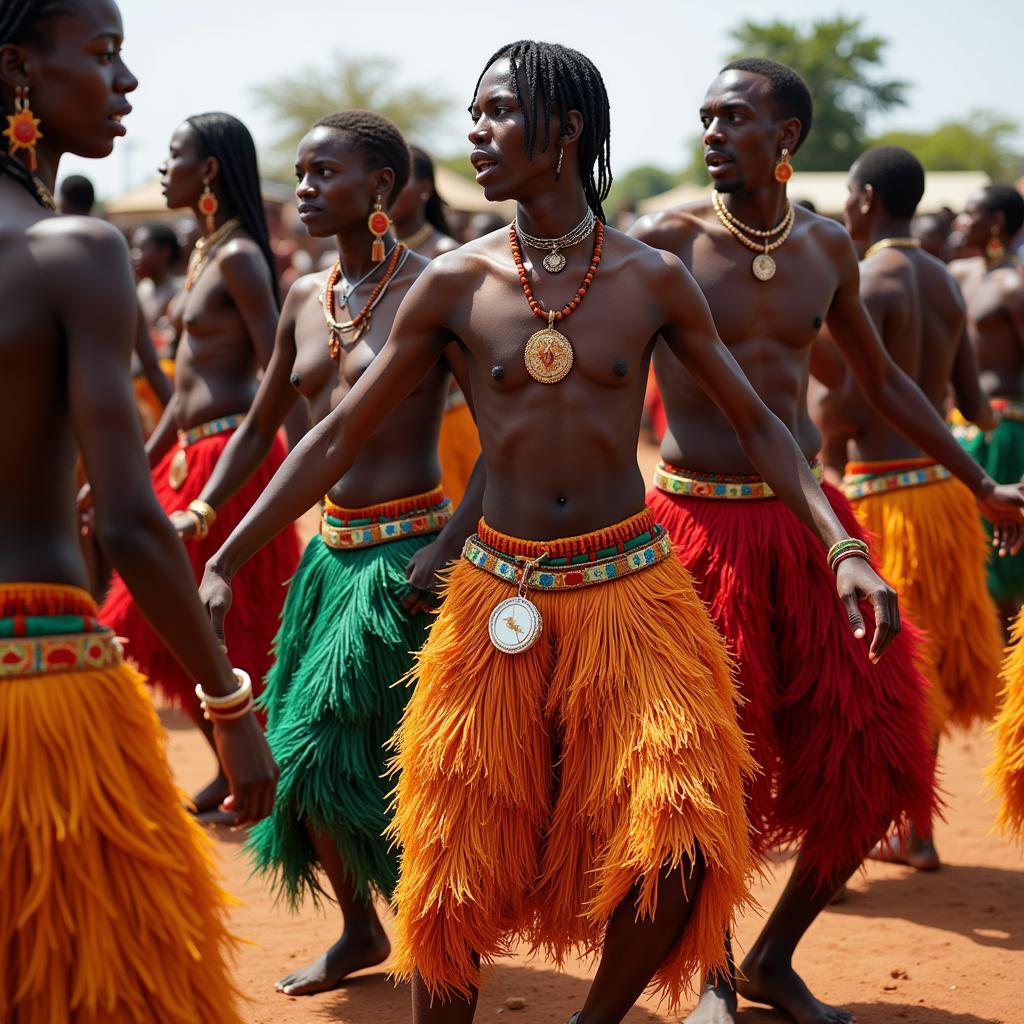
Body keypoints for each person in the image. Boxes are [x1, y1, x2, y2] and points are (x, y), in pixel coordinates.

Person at [200, 40, 903, 1024]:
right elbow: (333, 437)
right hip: (495, 597)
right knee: (447, 871)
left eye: (496, 113)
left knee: (687, 833)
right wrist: (224, 552)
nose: (475, 134)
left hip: (633, 592)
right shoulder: (454, 283)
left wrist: (842, 548)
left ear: (565, 130)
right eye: (473, 113)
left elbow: (760, 425)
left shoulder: (652, 277)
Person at [631, 59, 1023, 1024]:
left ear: (787, 137)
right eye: (706, 118)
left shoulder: (826, 251)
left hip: (813, 525)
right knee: (703, 763)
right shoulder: (664, 242)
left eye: (735, 117)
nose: (712, 132)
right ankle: (712, 977)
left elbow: (884, 383)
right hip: (693, 525)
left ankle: (771, 959)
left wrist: (979, 482)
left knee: (884, 757)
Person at [0, 0, 277, 1019]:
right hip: (39, 694)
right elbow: (124, 519)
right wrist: (230, 706)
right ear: (18, 72)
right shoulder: (75, 252)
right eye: (106, 54)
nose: (126, 82)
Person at [182, 109, 480, 996]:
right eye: (301, 174)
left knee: (394, 764)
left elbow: (509, 443)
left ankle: (445, 929)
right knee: (299, 765)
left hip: (411, 564)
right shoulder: (305, 295)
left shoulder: (440, 288)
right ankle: (360, 931)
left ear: (380, 187)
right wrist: (205, 519)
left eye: (324, 174)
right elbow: (268, 428)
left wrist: (449, 549)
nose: (304, 190)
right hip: (328, 562)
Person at [96, 111, 301, 815]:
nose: (163, 168)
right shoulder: (205, 252)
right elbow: (182, 391)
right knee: (149, 618)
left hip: (231, 456)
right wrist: (132, 464)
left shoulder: (242, 256)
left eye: (175, 155)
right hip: (188, 451)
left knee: (229, 622)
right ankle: (231, 760)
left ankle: (261, 774)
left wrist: (304, 466)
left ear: (208, 171)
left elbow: (284, 366)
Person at [820, 145, 1003, 870]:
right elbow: (970, 406)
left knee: (875, 667)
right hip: (944, 497)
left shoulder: (869, 281)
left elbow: (854, 400)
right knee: (915, 667)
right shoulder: (945, 281)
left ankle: (877, 830)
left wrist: (820, 433)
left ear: (865, 199)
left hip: (883, 499)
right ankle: (916, 831)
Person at [949, 184, 1024, 627]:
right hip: (959, 436)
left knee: (1006, 571)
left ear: (995, 222)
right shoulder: (957, 275)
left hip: (1010, 437)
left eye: (969, 213)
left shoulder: (1014, 286)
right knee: (965, 569)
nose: (960, 221)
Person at [389, 144, 479, 506]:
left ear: (425, 188)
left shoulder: (447, 256)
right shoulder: (376, 255)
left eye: (402, 179)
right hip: (393, 421)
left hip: (447, 417)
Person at [391, 144, 459, 259]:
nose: (387, 188)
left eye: (399, 179)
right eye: (383, 179)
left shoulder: (446, 253)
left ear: (425, 189)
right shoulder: (377, 248)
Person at [132, 220, 181, 340]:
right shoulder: (142, 288)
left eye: (142, 248)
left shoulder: (179, 292)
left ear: (165, 252)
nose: (134, 255)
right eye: (133, 247)